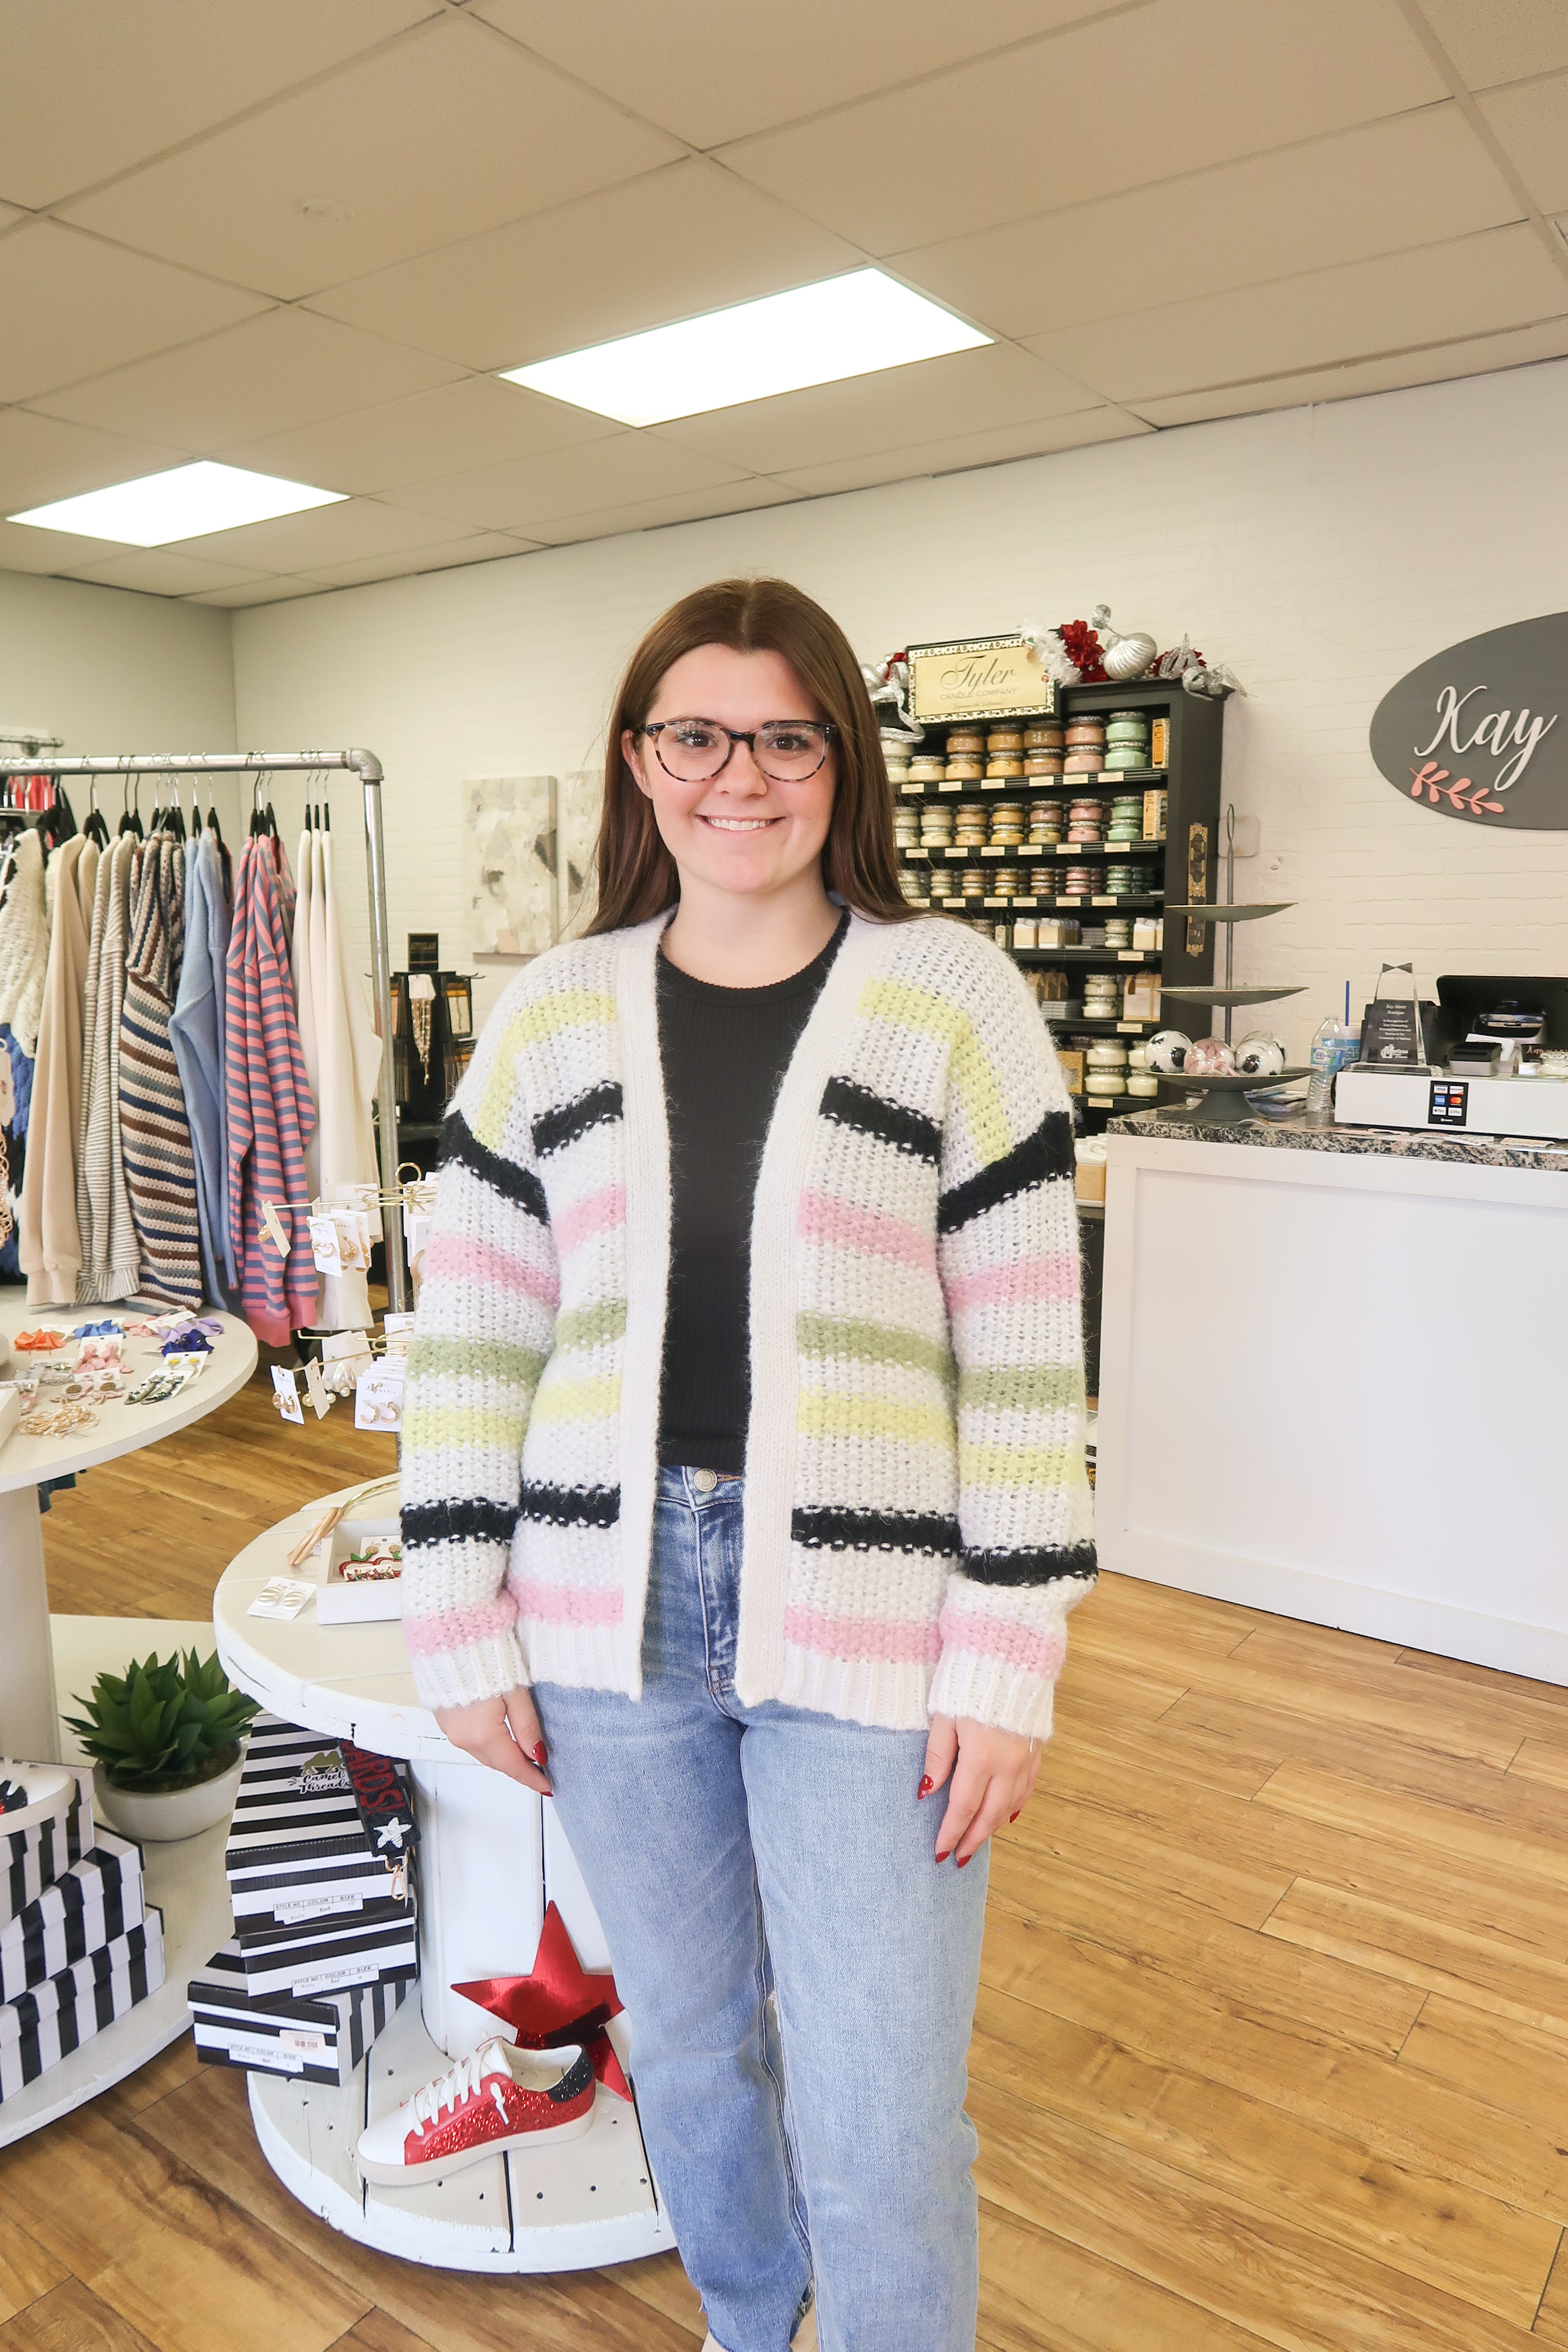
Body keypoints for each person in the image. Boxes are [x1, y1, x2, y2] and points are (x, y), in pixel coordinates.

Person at [399, 576, 1097, 2352]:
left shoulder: (951, 998)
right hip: (604, 1621)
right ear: (643, 765)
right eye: (696, 735)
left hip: (871, 1623)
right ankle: (743, 2316)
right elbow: (478, 1341)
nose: (741, 776)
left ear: (840, 762)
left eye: (787, 736)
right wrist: (454, 1620)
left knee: (877, 2113)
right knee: (696, 2050)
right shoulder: (551, 1016)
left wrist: (1010, 1656)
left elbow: (1024, 1354)